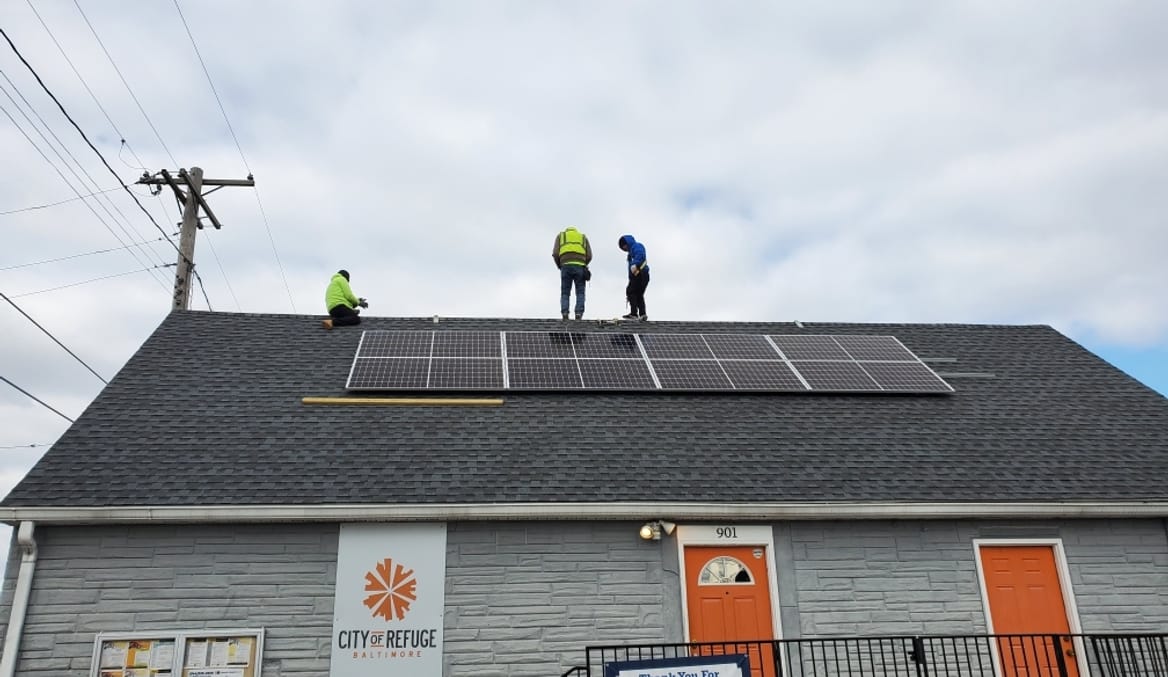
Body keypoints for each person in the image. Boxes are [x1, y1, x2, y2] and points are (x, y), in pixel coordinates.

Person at [552, 226, 592, 320]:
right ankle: (579, 313)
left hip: (565, 266)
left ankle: (565, 313)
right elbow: (589, 255)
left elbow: (555, 253)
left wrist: (560, 265)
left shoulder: (561, 236)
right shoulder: (583, 237)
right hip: (580, 267)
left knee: (565, 292)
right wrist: (583, 263)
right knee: (580, 292)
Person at [618, 235, 649, 320]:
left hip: (640, 273)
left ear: (626, 243)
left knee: (631, 291)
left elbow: (640, 255)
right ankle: (642, 314)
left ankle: (634, 314)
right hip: (639, 274)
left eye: (623, 247)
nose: (624, 249)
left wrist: (635, 263)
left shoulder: (636, 246)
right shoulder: (630, 254)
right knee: (638, 294)